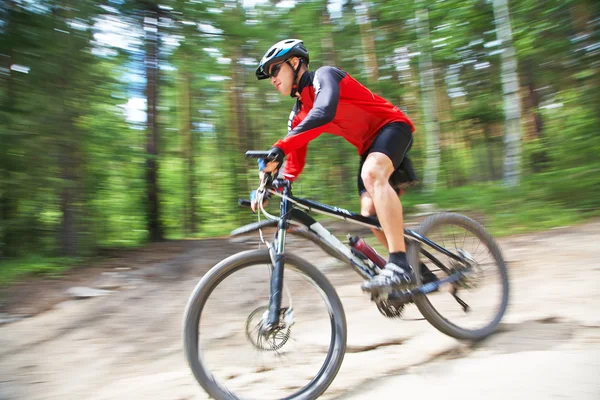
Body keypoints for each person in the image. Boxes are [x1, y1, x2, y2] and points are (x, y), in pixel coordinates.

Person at [252, 38, 430, 295]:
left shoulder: (325, 76)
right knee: (369, 213)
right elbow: (293, 163)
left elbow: (324, 111)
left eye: (274, 69)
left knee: (372, 173)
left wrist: (280, 146)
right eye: (269, 74)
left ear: (294, 62)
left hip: (392, 127)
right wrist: (270, 186)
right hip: (369, 148)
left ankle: (399, 264)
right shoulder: (298, 113)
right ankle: (419, 272)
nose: (272, 79)